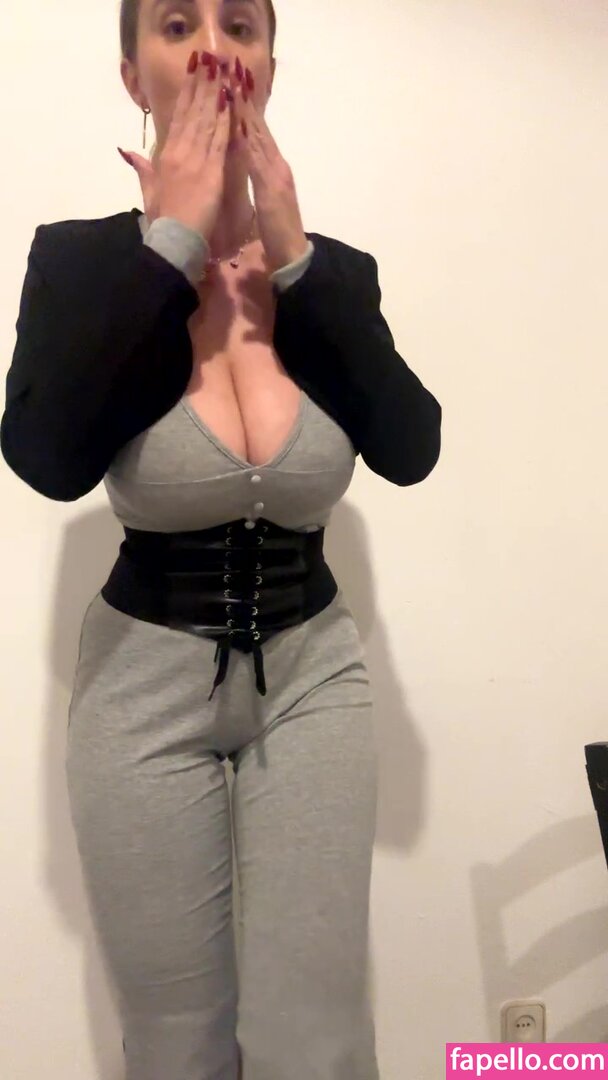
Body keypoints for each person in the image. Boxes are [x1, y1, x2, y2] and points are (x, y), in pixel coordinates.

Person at [0, 1, 442, 1077]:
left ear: (270, 66)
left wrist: (292, 257)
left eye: (240, 25)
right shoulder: (82, 262)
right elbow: (49, 458)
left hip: (313, 674)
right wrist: (170, 249)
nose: (211, 49)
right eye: (176, 24)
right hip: (139, 685)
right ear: (131, 74)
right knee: (176, 1040)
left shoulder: (329, 272)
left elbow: (410, 448)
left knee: (314, 1030)